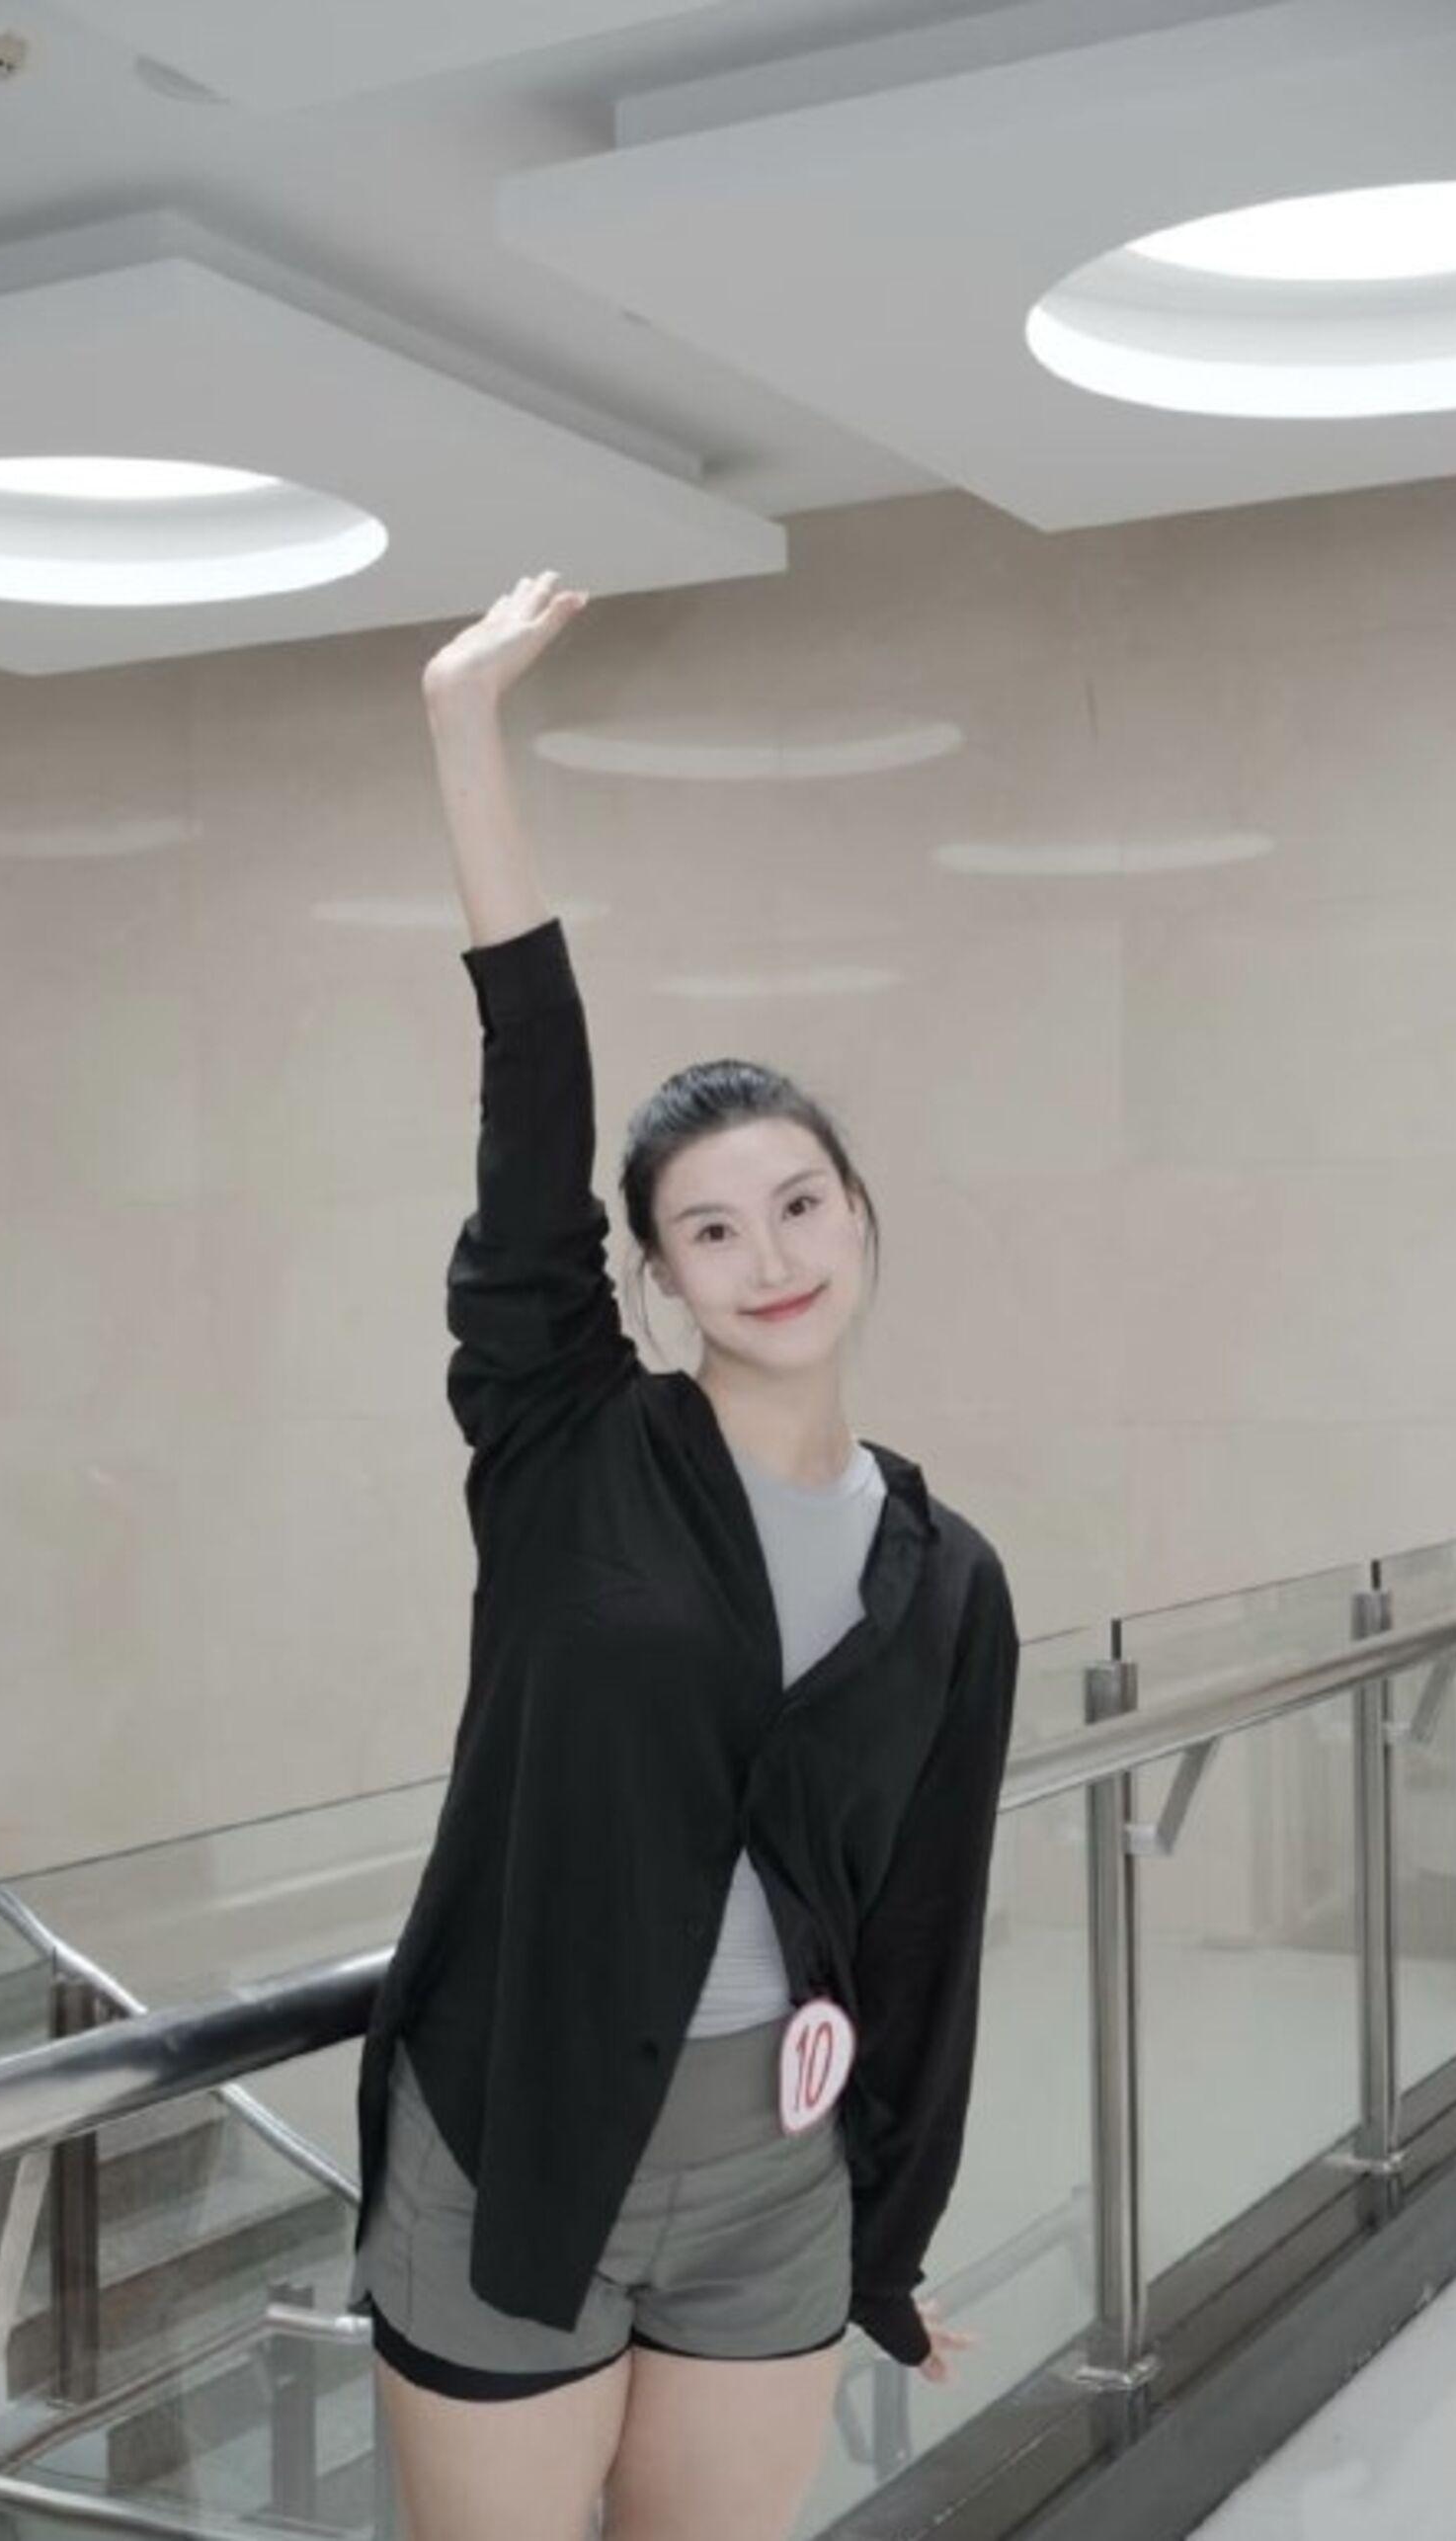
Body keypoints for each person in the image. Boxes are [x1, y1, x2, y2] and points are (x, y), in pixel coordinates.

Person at [347, 570, 1021, 2541]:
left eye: (801, 1202)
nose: (771, 1255)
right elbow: (533, 1091)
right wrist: (466, 726)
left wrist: (888, 2237)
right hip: (517, 2136)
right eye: (711, 1229)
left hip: (774, 2170)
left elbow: (923, 1932)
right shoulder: (568, 1445)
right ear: (651, 1275)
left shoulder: (945, 1577)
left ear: (862, 1213)